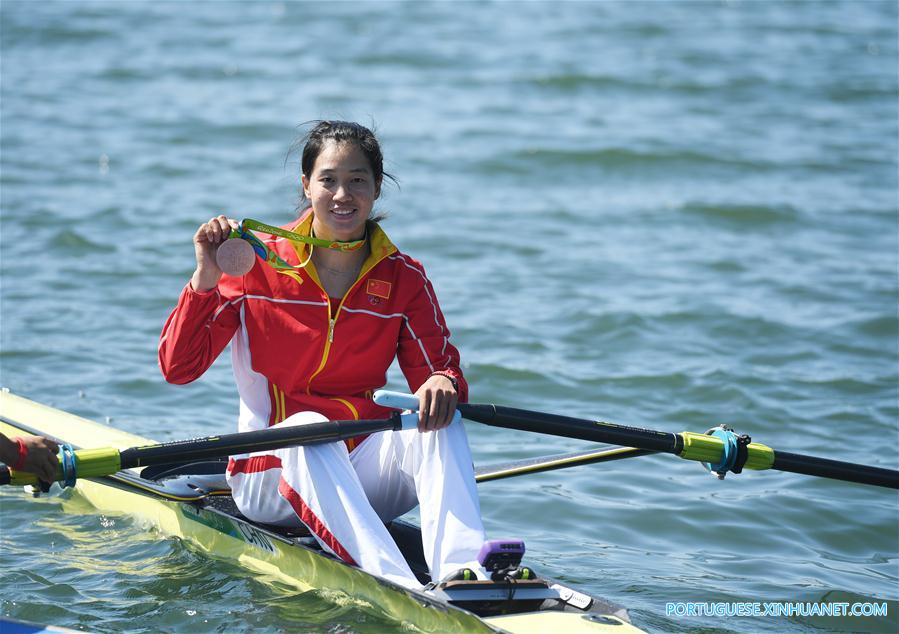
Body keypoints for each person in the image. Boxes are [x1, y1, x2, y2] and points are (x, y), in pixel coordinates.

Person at [159, 120, 486, 589]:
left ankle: (463, 572)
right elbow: (178, 368)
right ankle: (399, 586)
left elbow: (438, 369)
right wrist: (205, 280)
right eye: (328, 179)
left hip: (362, 469)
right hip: (266, 473)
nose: (342, 194)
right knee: (311, 429)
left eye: (357, 180)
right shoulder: (256, 264)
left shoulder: (404, 278)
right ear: (306, 185)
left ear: (376, 189)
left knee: (440, 420)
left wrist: (443, 383)